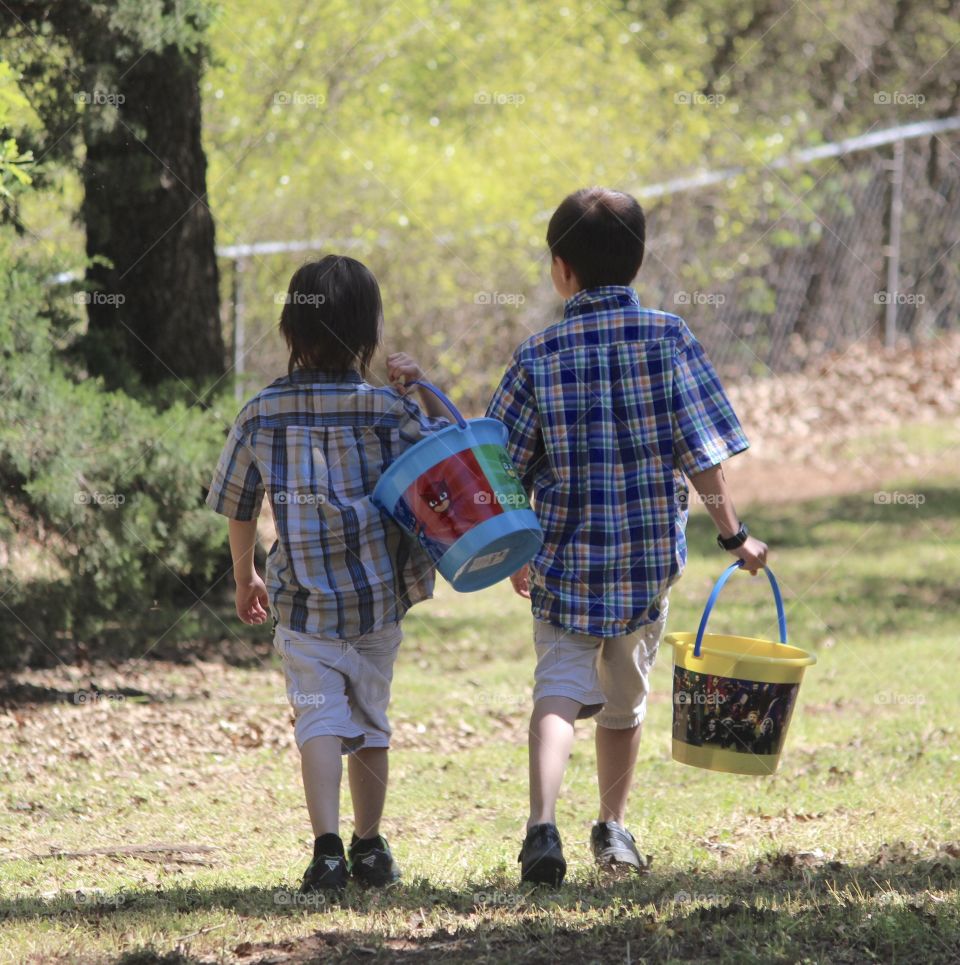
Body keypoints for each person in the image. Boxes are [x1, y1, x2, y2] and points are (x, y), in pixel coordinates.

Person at [486, 187, 768, 885]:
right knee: (625, 703)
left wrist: (516, 546)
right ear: (638, 263)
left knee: (556, 694)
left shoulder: (537, 354)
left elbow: (502, 464)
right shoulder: (670, 336)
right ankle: (613, 830)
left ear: (561, 268)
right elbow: (702, 453)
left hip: (563, 563)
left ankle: (540, 827)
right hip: (644, 566)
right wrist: (735, 536)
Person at [206, 255, 447, 895]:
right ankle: (370, 848)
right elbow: (446, 461)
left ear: (290, 330)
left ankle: (328, 852)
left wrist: (246, 575)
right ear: (367, 334)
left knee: (316, 717)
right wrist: (419, 387)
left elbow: (237, 505)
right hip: (375, 602)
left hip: (303, 602)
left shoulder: (260, 412)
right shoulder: (386, 411)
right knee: (371, 720)